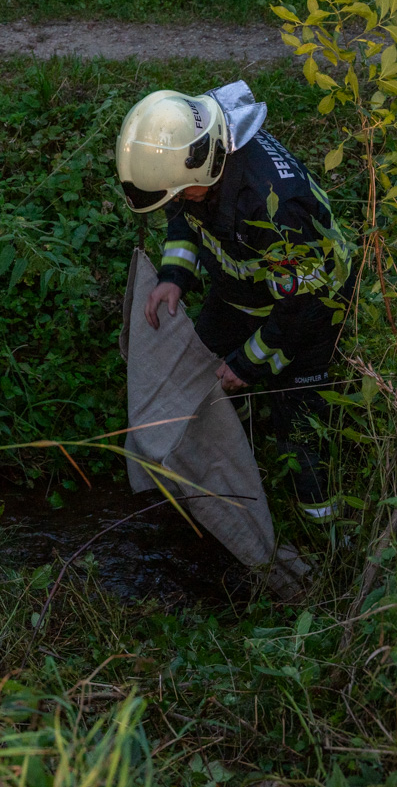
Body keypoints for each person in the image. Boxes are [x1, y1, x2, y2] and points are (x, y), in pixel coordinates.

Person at [115, 81, 355, 522]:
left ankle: (321, 527)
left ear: (204, 172)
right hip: (238, 294)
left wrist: (246, 364)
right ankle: (224, 474)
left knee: (299, 427)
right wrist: (174, 277)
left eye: (180, 192)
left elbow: (302, 307)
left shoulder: (276, 206)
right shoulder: (195, 150)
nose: (177, 200)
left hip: (311, 309)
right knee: (198, 380)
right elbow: (184, 216)